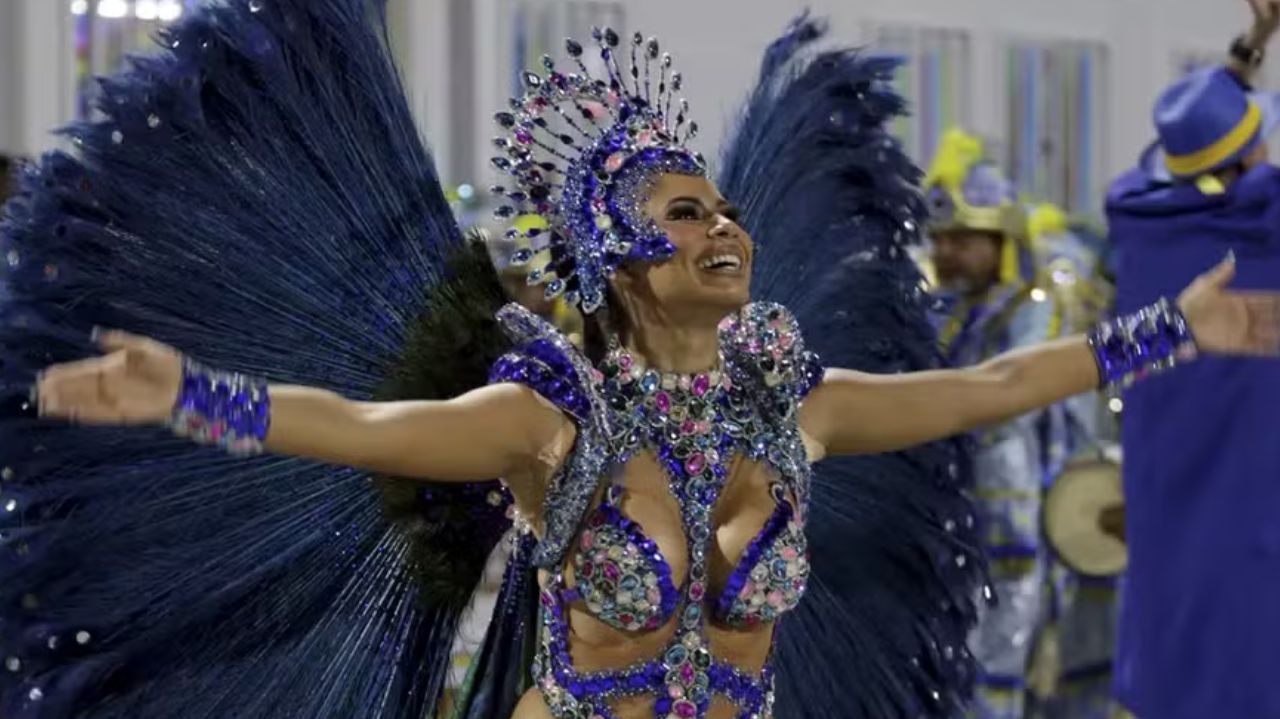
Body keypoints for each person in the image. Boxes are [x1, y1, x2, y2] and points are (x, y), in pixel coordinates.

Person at [2, 5, 1276, 719]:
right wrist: (186, 396)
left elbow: (988, 388)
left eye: (726, 208)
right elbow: (362, 427)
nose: (722, 227)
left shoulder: (793, 403)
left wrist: (1168, 331)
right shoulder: (547, 419)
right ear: (613, 248)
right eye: (683, 212)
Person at [1105, 1, 1280, 717]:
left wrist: (1245, 54)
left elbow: (1204, 152)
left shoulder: (1139, 225)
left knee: (1179, 647)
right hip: (1256, 502)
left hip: (1169, 506)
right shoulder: (1267, 225)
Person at [921, 130, 1102, 719]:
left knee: (1003, 660)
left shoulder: (1038, 306)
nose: (944, 253)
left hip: (1023, 520)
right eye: (940, 240)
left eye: (961, 240)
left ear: (1002, 241)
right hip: (954, 520)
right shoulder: (954, 313)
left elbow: (1012, 395)